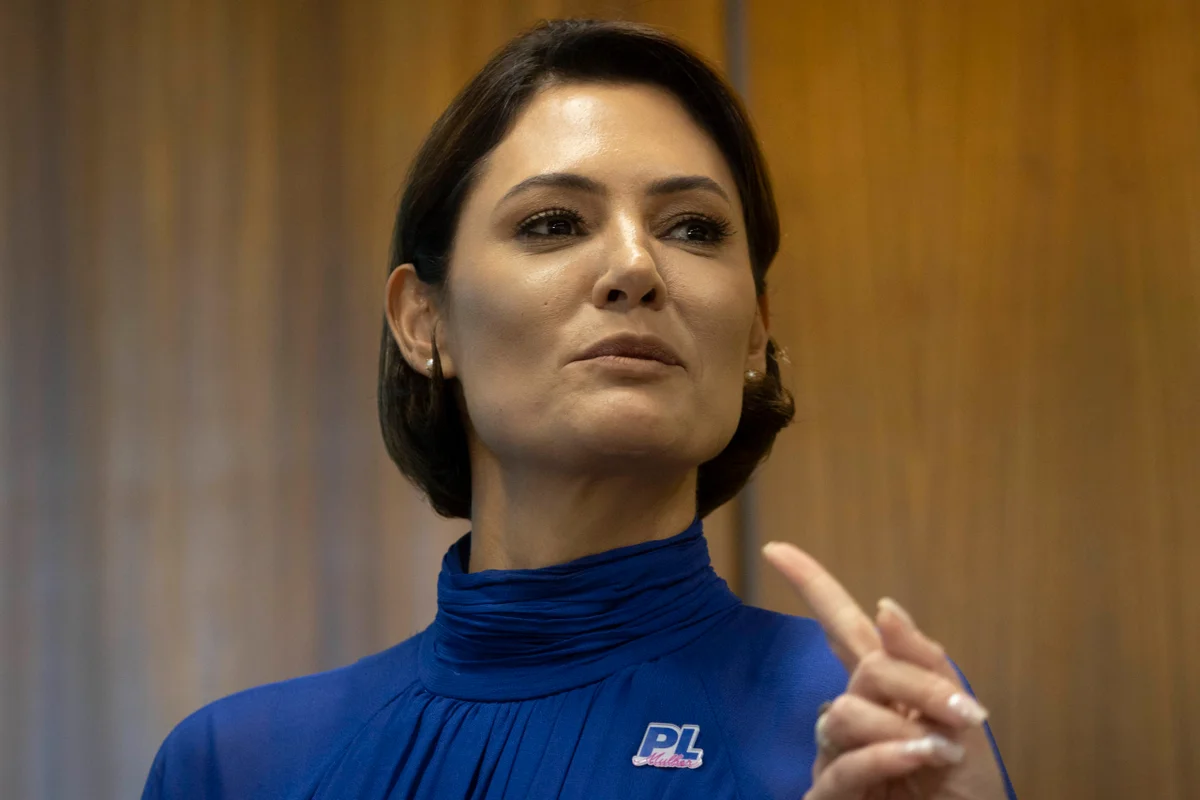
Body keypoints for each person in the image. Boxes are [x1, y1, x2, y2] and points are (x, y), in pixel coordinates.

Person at [142, 19, 1017, 800]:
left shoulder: (867, 732)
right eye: (554, 223)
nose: (635, 266)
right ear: (423, 320)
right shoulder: (237, 767)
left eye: (694, 228)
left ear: (755, 330)